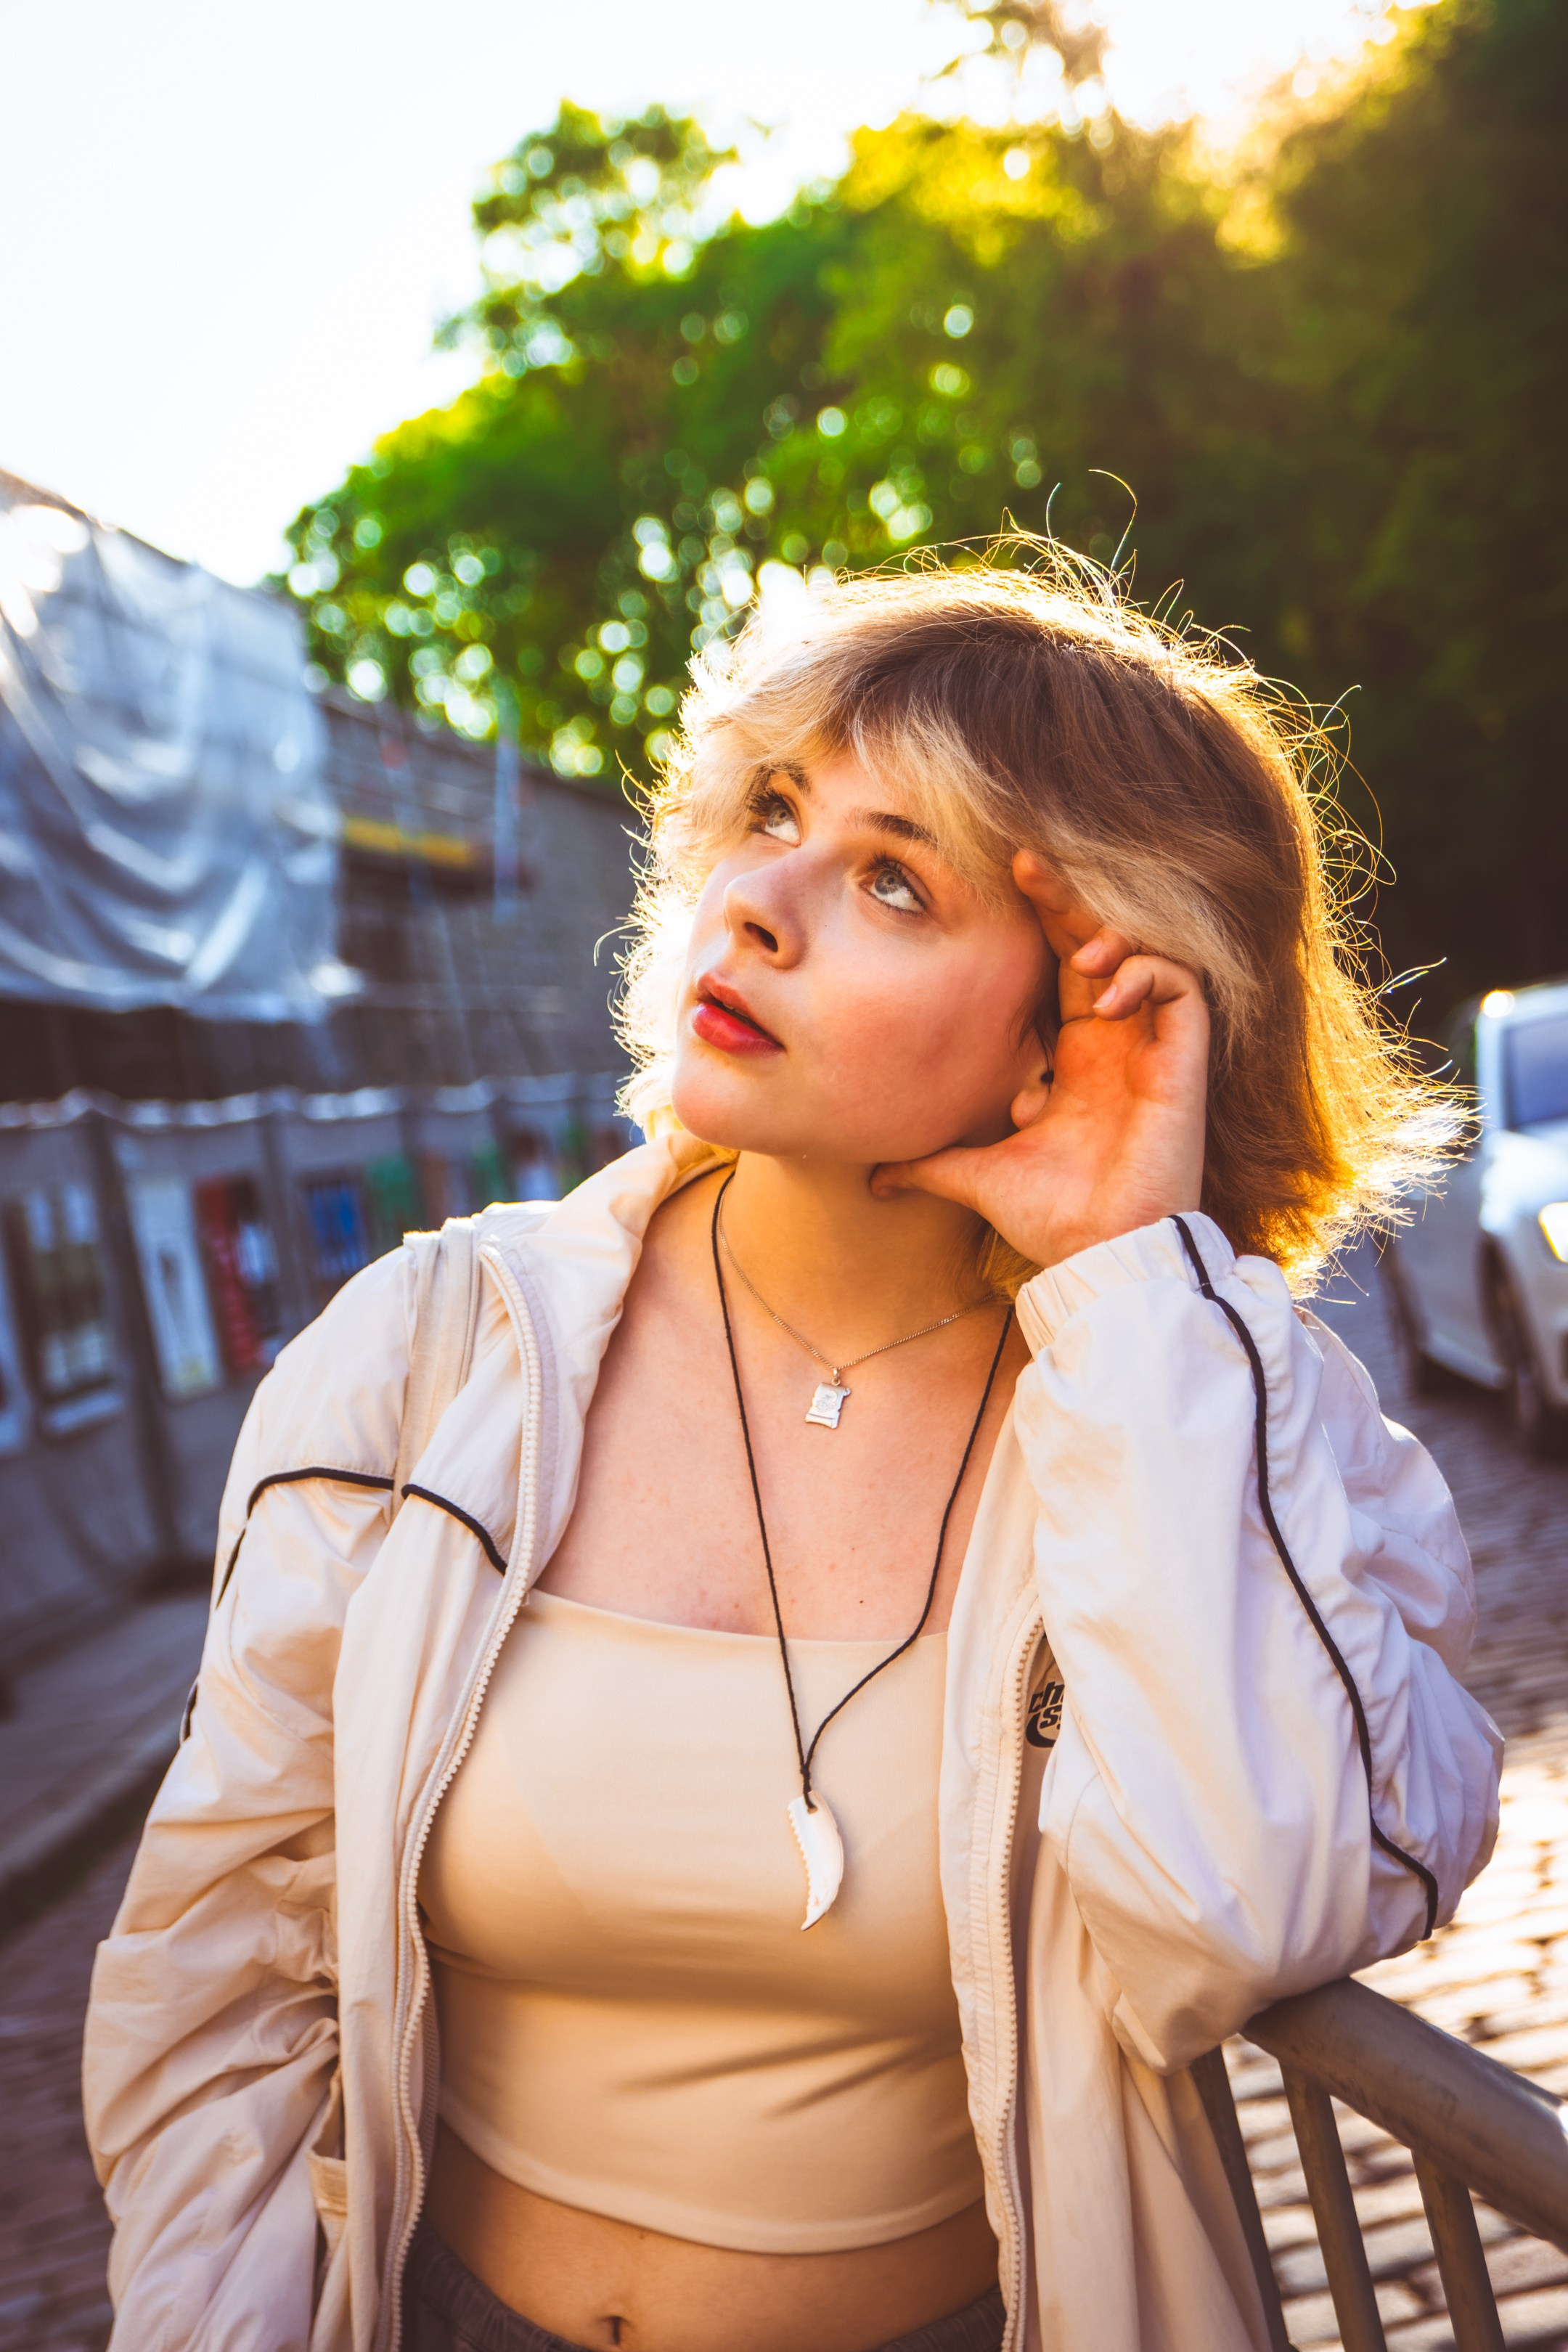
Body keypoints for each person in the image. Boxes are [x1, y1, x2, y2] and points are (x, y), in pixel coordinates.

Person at [83, 555, 1501, 2352]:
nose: (757, 903)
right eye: (770, 811)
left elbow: (1258, 1904)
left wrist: (1130, 1287)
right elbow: (217, 1976)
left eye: (895, 880)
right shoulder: (438, 1352)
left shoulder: (1195, 1403)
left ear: (1087, 1012)